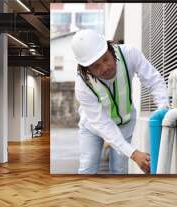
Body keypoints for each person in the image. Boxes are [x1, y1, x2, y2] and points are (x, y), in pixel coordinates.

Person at [72, 29, 169, 174]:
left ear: (110, 50)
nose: (104, 68)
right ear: (87, 69)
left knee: (119, 170)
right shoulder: (82, 85)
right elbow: (102, 124)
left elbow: (153, 80)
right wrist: (134, 154)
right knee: (88, 167)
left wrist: (163, 109)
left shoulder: (129, 54)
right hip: (93, 126)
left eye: (105, 59)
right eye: (96, 66)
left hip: (125, 124)